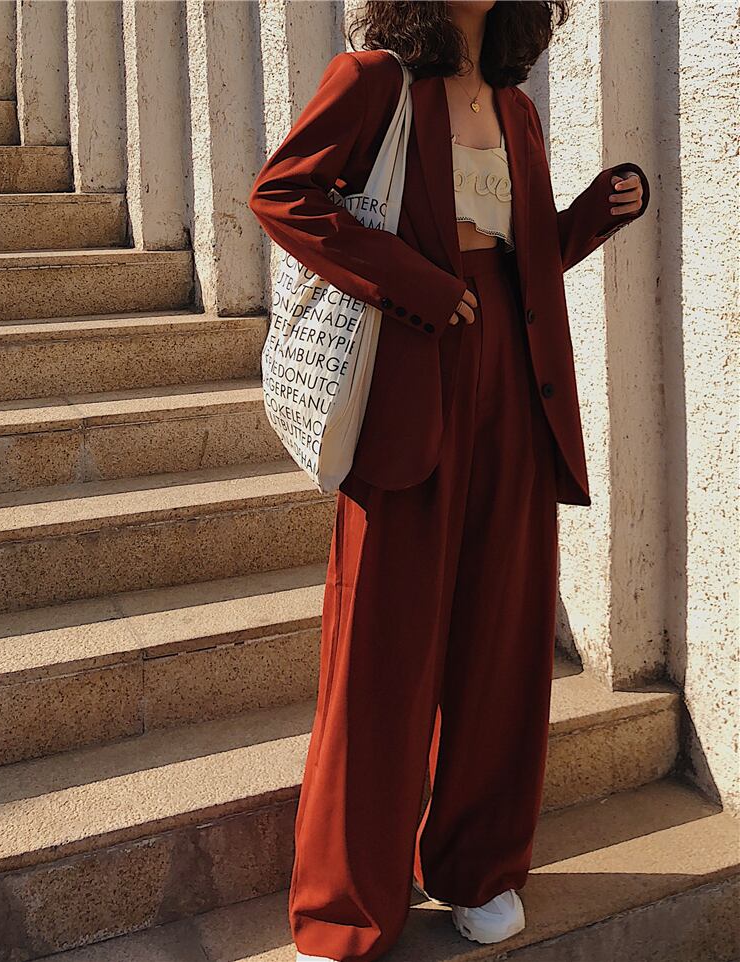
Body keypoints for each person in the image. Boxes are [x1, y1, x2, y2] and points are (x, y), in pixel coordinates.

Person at [247, 3, 650, 961]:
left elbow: (524, 260)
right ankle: (345, 905)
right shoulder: (374, 81)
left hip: (516, 385)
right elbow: (282, 193)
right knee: (380, 650)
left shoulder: (515, 108)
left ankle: (478, 868)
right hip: (410, 388)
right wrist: (417, 283)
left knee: (501, 643)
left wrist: (593, 214)